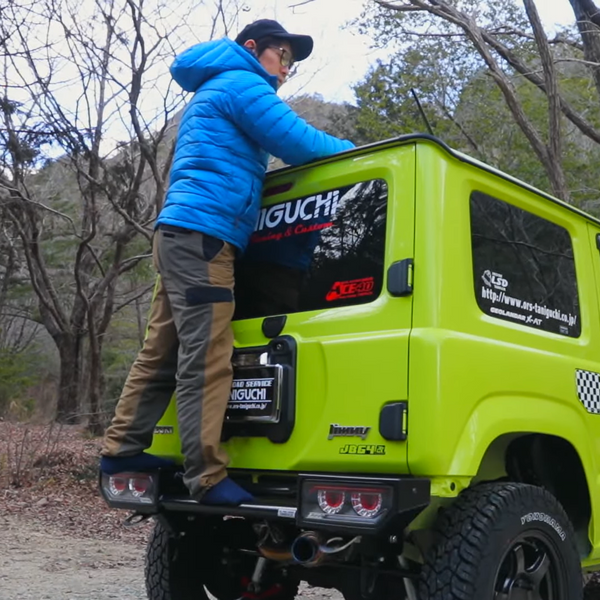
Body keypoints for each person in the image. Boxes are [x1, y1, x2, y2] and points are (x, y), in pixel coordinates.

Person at [100, 19, 355, 506]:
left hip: (182, 235)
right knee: (209, 355)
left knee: (164, 348)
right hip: (204, 238)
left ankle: (121, 449)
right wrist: (359, 153)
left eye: (293, 63)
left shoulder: (218, 84)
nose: (287, 69)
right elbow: (300, 143)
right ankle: (208, 477)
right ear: (253, 48)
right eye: (283, 56)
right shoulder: (241, 84)